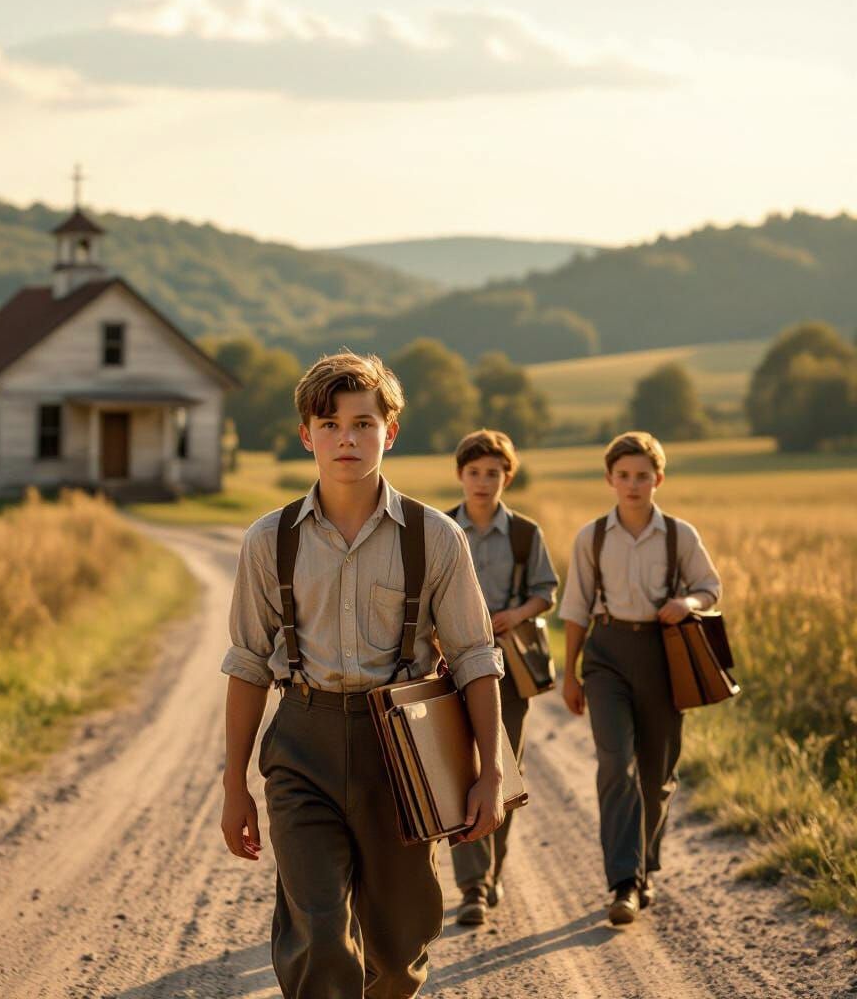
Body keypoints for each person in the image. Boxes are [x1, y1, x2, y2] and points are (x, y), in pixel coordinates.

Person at [220, 351, 506, 998]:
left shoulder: (435, 537)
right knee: (319, 937)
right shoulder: (269, 541)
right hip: (301, 746)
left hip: (402, 751)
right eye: (329, 425)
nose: (346, 439)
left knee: (398, 952)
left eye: (362, 424)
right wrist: (234, 783)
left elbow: (475, 659)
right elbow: (244, 665)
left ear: (390, 432)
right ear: (306, 435)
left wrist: (489, 770)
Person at [559, 431, 722, 925]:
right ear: (610, 479)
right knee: (615, 763)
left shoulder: (680, 535)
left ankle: (646, 868)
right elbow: (576, 609)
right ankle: (623, 883)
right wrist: (570, 674)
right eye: (624, 476)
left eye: (643, 476)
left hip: (662, 654)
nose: (633, 485)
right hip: (606, 656)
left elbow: (710, 588)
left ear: (659, 479)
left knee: (657, 774)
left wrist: (686, 603)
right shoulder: (592, 536)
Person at [444, 429, 558, 927]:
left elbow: (546, 591)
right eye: (474, 473)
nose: (483, 482)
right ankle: (472, 885)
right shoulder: (441, 529)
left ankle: (493, 872)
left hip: (508, 668)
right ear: (461, 476)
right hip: (449, 669)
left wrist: (518, 613)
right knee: (459, 772)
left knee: (503, 773)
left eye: (493, 473)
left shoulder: (525, 534)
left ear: (506, 477)